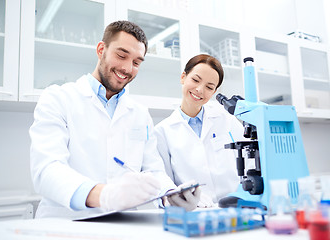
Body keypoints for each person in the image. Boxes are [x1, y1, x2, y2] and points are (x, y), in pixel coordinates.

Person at [29, 21, 200, 219]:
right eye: (121, 55)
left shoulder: (139, 113)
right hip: (65, 224)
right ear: (101, 49)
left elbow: (153, 171)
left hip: (122, 225)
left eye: (136, 62)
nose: (127, 68)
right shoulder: (58, 98)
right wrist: (104, 195)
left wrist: (171, 195)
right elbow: (47, 170)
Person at [154, 54, 245, 207]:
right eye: (195, 80)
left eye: (209, 87)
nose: (199, 90)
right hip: (195, 211)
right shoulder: (163, 131)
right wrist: (177, 199)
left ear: (214, 92)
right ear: (183, 77)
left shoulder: (227, 120)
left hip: (235, 207)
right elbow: (164, 181)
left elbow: (251, 162)